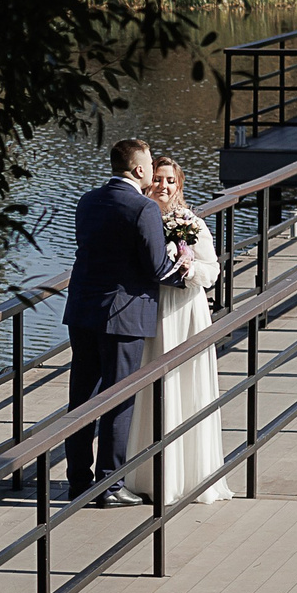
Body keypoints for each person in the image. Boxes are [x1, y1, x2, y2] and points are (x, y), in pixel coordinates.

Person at [61, 138, 187, 506]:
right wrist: (184, 270)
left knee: (82, 398)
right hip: (123, 316)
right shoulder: (142, 208)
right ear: (139, 170)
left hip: (83, 310)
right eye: (148, 165)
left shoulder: (88, 200)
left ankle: (78, 483)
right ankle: (109, 486)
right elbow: (156, 266)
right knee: (119, 399)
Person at [127, 157, 232, 506]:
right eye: (157, 179)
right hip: (154, 314)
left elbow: (212, 272)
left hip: (186, 311)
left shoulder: (192, 224)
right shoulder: (141, 219)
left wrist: (187, 268)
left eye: (170, 180)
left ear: (179, 185)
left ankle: (190, 475)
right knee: (152, 387)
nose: (163, 186)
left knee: (186, 385)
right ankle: (148, 475)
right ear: (147, 182)